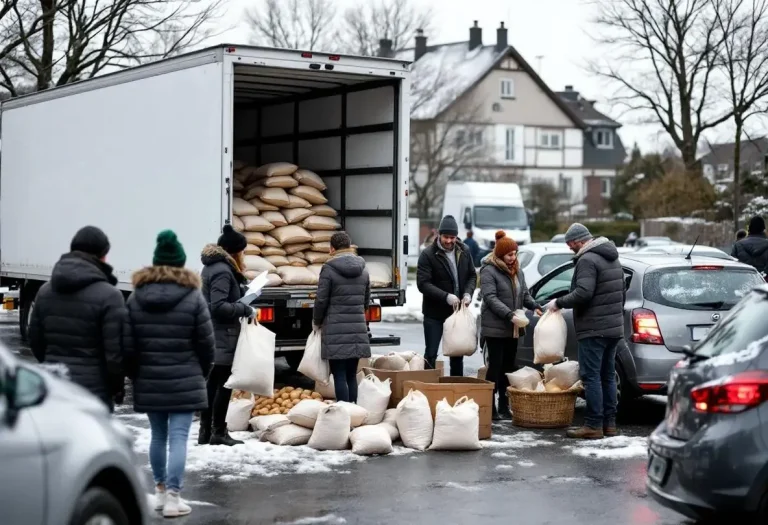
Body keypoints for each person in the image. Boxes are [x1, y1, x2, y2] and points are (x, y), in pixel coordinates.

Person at [123, 230, 215, 518]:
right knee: (178, 438)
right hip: (185, 379)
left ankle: (160, 493)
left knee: (158, 436)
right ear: (180, 263)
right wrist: (200, 372)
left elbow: (127, 344)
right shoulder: (193, 297)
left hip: (149, 380)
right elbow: (206, 343)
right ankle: (175, 498)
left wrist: (136, 373)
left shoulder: (136, 298)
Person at [28, 226, 125, 411]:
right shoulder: (110, 296)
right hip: (93, 392)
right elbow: (115, 354)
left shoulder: (45, 291)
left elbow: (35, 340)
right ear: (103, 255)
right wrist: (116, 388)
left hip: (56, 387)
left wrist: (52, 365)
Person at [546, 223, 624, 439]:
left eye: (571, 244)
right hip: (613, 328)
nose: (570, 248)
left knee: (591, 377)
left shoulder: (588, 259)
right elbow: (621, 294)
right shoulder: (612, 257)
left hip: (593, 328)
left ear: (579, 240)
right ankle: (609, 424)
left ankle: (593, 425)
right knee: (607, 376)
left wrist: (558, 302)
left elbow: (583, 293)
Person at [199, 225, 256, 446]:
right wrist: (245, 308)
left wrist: (242, 292)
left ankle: (206, 432)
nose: (243, 254)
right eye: (241, 250)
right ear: (234, 251)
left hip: (214, 332)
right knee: (222, 384)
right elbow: (219, 306)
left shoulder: (213, 268)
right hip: (222, 334)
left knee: (213, 384)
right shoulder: (222, 270)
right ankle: (218, 432)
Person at [480, 231, 542, 420]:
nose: (513, 258)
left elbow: (524, 294)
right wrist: (509, 314)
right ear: (500, 255)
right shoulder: (488, 271)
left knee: (508, 366)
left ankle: (504, 405)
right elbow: (490, 298)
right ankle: (490, 406)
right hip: (495, 326)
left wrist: (535, 305)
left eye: (515, 254)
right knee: (495, 366)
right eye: (509, 255)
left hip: (512, 327)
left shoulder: (518, 271)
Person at [313, 231, 371, 402]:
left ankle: (344, 414)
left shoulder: (329, 269)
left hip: (335, 330)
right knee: (351, 375)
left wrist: (316, 321)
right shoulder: (364, 268)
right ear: (349, 246)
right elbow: (366, 301)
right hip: (358, 329)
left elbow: (321, 300)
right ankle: (353, 412)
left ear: (332, 248)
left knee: (338, 375)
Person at [417, 215, 478, 376]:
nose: (449, 241)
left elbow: (472, 275)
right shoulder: (428, 255)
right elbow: (423, 284)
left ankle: (455, 388)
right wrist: (445, 296)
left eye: (453, 237)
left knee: (457, 355)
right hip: (434, 314)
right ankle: (427, 387)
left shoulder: (464, 250)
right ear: (439, 234)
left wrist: (468, 293)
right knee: (431, 353)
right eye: (446, 237)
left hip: (456, 313)